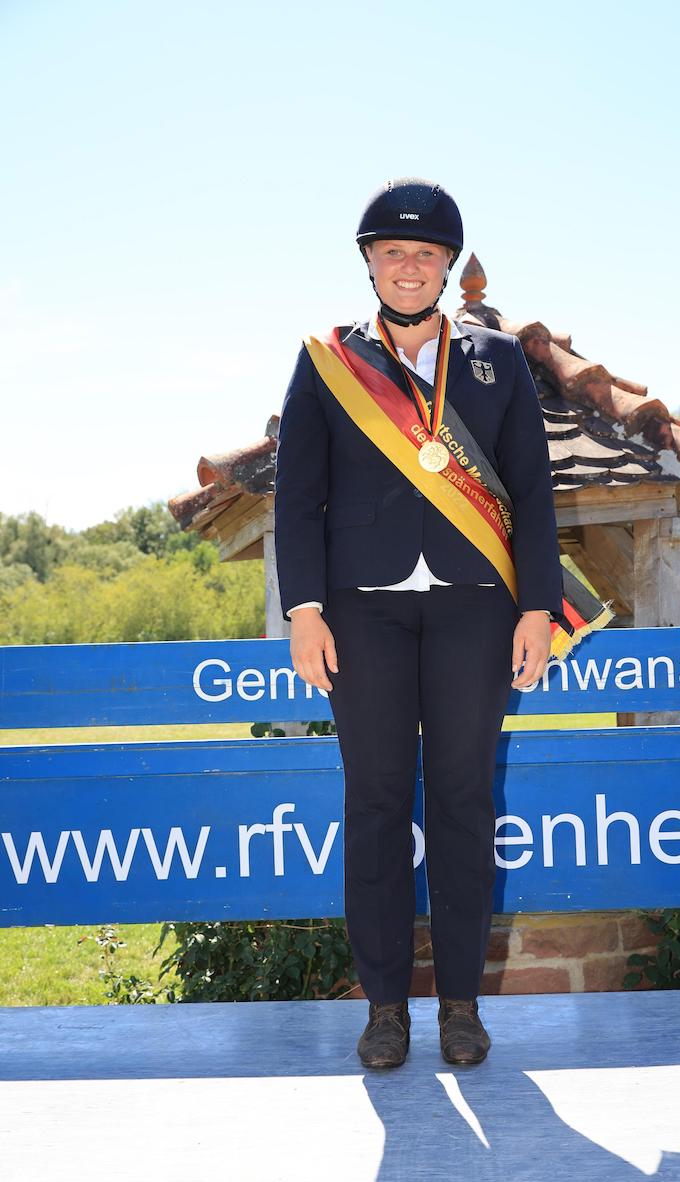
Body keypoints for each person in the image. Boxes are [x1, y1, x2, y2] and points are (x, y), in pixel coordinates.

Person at [273, 178, 564, 1069]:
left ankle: (463, 1006)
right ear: (369, 262)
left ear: (446, 266)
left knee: (467, 799)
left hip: (477, 608)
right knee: (374, 802)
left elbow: (532, 492)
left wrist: (538, 605)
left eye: (426, 253)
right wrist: (304, 610)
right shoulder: (327, 361)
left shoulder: (498, 359)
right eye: (393, 252)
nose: (409, 266)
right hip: (361, 614)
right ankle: (386, 1008)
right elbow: (297, 497)